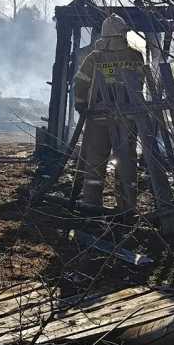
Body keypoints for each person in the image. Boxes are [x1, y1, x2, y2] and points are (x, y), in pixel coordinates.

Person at [73, 13, 145, 209]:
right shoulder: (135, 56)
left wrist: (80, 104)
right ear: (122, 34)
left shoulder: (94, 58)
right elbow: (140, 83)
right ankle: (126, 206)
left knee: (95, 161)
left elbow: (80, 83)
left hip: (97, 118)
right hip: (127, 118)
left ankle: (91, 203)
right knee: (126, 162)